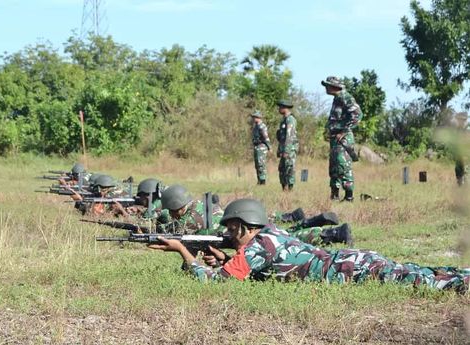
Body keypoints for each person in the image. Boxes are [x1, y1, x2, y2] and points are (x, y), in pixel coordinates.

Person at [149, 198, 469, 293]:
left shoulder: (258, 248)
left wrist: (183, 250)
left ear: (246, 227)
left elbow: (213, 282)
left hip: (348, 270)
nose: (230, 236)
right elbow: (254, 264)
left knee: (420, 282)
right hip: (350, 261)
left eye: (233, 231)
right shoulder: (269, 234)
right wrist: (222, 255)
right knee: (415, 272)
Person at [322, 76, 362, 202]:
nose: (326, 88)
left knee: (343, 166)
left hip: (343, 139)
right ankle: (334, 195)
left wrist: (344, 130)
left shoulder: (345, 97)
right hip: (335, 139)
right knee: (334, 168)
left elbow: (357, 114)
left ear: (334, 87)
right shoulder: (337, 98)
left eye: (327, 85)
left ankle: (349, 196)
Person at [157, 184, 224, 235]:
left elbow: (170, 231)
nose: (170, 214)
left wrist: (156, 227)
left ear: (177, 207)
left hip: (226, 235)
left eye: (170, 211)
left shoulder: (190, 219)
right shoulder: (195, 204)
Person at [275, 100, 298, 191]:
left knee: (289, 168)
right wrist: (280, 150)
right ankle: (284, 188)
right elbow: (281, 137)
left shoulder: (290, 119)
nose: (279, 109)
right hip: (283, 148)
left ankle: (290, 188)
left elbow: (290, 136)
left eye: (281, 107)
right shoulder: (284, 120)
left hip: (289, 149)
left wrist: (286, 150)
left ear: (285, 108)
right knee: (282, 168)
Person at [250, 110, 271, 185]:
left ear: (258, 117)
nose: (253, 118)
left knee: (261, 164)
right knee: (257, 164)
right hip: (256, 146)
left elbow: (266, 137)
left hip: (262, 147)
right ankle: (259, 180)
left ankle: (263, 181)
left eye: (254, 117)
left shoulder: (262, 126)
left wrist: (269, 147)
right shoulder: (256, 126)